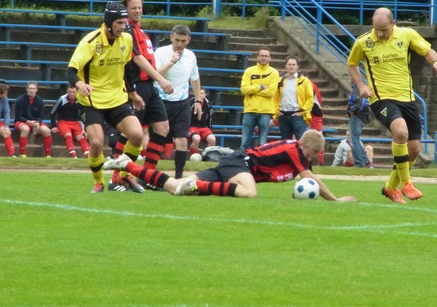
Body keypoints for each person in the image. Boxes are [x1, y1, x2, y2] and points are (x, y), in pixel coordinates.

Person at [347, 7, 437, 204]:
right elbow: (352, 64)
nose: (380, 34)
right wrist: (361, 84)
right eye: (376, 29)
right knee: (400, 132)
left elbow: (427, 50)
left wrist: (436, 62)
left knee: (415, 149)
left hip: (407, 99)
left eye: (383, 29)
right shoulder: (364, 42)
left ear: (393, 24)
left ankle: (390, 187)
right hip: (381, 99)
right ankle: (406, 184)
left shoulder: (407, 34)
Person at [104, 129, 356, 202]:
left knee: (173, 187)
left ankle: (127, 165)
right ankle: (197, 185)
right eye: (313, 153)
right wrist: (334, 200)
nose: (312, 158)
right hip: (239, 163)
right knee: (249, 192)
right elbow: (311, 177)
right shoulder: (294, 150)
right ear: (306, 147)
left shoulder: (297, 151)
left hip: (235, 166)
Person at [67, 1, 145, 193]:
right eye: (119, 22)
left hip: (117, 99)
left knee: (137, 135)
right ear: (109, 22)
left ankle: (124, 177)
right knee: (96, 142)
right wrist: (80, 84)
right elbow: (70, 71)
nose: (123, 26)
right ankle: (99, 181)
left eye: (125, 22)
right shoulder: (90, 42)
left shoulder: (126, 39)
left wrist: (133, 93)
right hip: (92, 101)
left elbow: (126, 69)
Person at [108, 0, 174, 192]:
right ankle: (117, 178)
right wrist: (161, 78)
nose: (137, 11)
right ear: (125, 11)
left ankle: (148, 177)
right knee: (131, 133)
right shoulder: (127, 29)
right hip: (135, 85)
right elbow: (137, 58)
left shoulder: (140, 30)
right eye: (133, 8)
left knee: (162, 128)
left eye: (139, 7)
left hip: (148, 86)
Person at [155, 24, 202, 178]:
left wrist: (198, 101)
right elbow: (154, 74)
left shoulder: (191, 56)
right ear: (171, 37)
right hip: (161, 101)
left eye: (183, 41)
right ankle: (148, 174)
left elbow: (194, 79)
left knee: (182, 139)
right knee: (157, 139)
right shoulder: (161, 53)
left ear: (188, 40)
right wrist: (171, 62)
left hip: (182, 103)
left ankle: (178, 177)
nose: (179, 44)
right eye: (177, 40)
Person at [240, 46, 279, 149]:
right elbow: (244, 89)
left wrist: (253, 91)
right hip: (250, 110)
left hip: (265, 112)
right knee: (245, 143)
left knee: (262, 143)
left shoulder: (274, 73)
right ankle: (241, 162)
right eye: (262, 55)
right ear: (258, 57)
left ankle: (261, 163)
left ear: (270, 58)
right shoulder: (249, 71)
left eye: (266, 56)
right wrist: (260, 87)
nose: (264, 58)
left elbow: (271, 92)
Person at [273, 55, 314, 141]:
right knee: (285, 143)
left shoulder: (304, 81)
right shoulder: (280, 80)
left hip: (297, 115)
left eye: (293, 64)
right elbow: (275, 98)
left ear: (297, 66)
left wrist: (302, 111)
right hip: (283, 115)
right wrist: (277, 111)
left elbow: (310, 99)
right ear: (286, 66)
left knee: (301, 142)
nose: (291, 66)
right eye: (289, 64)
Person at [13, 81, 53, 158]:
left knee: (47, 131)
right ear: (27, 89)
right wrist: (28, 122)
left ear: (36, 90)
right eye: (30, 88)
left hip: (34, 122)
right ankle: (23, 154)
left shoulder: (40, 101)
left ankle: (48, 155)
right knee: (25, 129)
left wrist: (38, 123)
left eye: (33, 88)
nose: (32, 90)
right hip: (22, 121)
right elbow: (18, 116)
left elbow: (41, 116)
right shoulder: (20, 100)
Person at [50, 85, 90, 158]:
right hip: (63, 121)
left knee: (81, 137)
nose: (71, 94)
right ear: (67, 92)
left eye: (73, 92)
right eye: (70, 92)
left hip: (76, 122)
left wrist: (84, 128)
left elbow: (84, 114)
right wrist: (54, 126)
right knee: (68, 135)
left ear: (76, 92)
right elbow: (52, 113)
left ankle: (88, 155)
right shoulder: (62, 99)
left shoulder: (80, 99)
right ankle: (73, 155)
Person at [347, 83, 372, 168]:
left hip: (357, 117)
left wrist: (352, 110)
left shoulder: (357, 88)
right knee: (355, 139)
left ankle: (359, 162)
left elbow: (361, 103)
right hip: (361, 117)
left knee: (354, 140)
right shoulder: (361, 88)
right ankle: (364, 160)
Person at [189, 88, 216, 157]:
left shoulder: (208, 103)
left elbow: (210, 117)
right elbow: (186, 116)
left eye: (201, 93)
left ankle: (206, 157)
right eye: (198, 93)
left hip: (203, 127)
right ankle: (193, 157)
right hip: (192, 126)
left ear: (205, 95)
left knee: (212, 139)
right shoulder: (191, 102)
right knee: (196, 138)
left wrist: (210, 129)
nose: (200, 95)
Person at [310, 81, 325, 165]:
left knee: (318, 137)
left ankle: (320, 162)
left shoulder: (309, 85)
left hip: (314, 114)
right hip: (313, 114)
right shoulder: (310, 84)